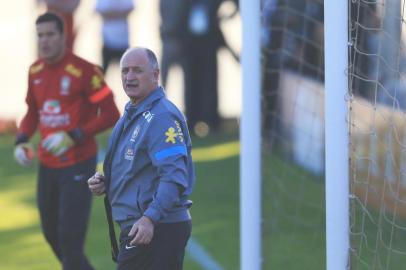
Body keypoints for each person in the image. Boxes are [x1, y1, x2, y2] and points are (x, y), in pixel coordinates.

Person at [13, 12, 120, 270]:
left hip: (78, 164)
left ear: (64, 36)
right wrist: (21, 140)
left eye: (50, 34)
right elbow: (32, 112)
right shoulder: (35, 70)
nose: (45, 40)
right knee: (52, 236)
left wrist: (74, 136)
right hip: (48, 165)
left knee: (70, 243)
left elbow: (111, 114)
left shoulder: (85, 71)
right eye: (40, 35)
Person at [87, 47, 195, 270]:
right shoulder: (133, 112)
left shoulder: (161, 117)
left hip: (156, 227)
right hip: (142, 227)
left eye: (137, 70)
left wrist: (150, 219)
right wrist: (108, 182)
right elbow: (138, 167)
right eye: (125, 71)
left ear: (155, 75)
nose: (129, 77)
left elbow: (174, 177)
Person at [95, 0, 135, 73]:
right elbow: (99, 11)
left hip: (123, 41)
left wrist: (111, 13)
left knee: (127, 73)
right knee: (103, 73)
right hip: (107, 40)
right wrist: (119, 13)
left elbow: (130, 9)